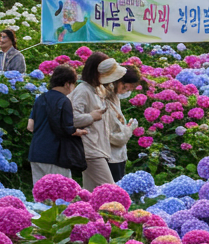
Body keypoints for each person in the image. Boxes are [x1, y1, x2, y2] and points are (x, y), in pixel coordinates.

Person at [27, 66, 100, 185]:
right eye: (73, 84)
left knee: (40, 195)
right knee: (61, 195)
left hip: (36, 153)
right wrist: (80, 132)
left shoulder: (40, 98)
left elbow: (30, 126)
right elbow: (68, 129)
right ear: (67, 84)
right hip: (55, 155)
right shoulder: (64, 101)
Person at [69, 53, 125, 189]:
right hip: (90, 150)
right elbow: (72, 119)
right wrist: (92, 116)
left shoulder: (97, 89)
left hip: (98, 148)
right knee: (110, 190)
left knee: (91, 194)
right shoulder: (83, 90)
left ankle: (82, 211)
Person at [105, 67, 144, 182]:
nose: (124, 92)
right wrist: (129, 129)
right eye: (125, 87)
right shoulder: (104, 100)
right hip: (110, 156)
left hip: (118, 155)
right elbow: (113, 135)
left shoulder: (114, 98)